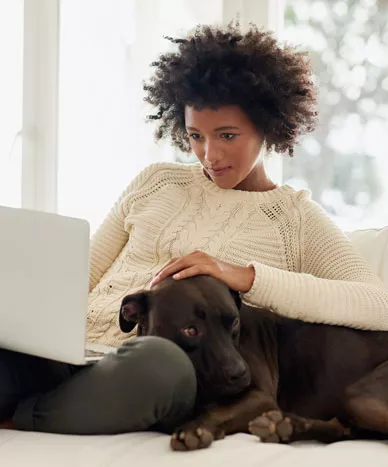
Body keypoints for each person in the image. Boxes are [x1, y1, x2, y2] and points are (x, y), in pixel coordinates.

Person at [1, 22, 388, 435]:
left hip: (145, 372)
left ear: (268, 126)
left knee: (159, 364)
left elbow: (376, 305)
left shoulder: (294, 219)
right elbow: (82, 276)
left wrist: (246, 276)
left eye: (227, 135)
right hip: (68, 355)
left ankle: (18, 417)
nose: (210, 154)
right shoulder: (156, 180)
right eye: (195, 136)